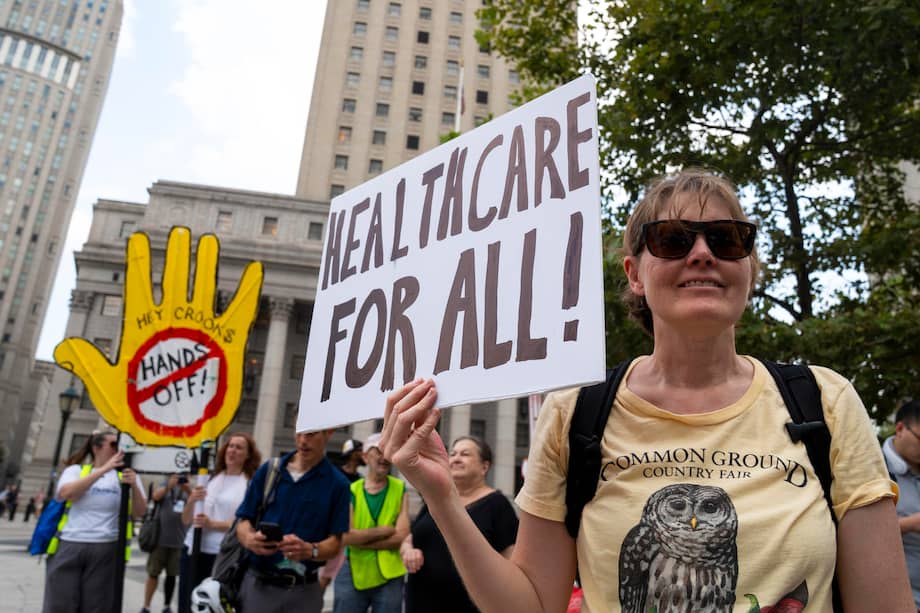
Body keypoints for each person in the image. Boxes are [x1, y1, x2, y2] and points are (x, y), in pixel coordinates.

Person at [380, 169, 913, 612]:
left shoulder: (825, 401)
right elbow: (533, 604)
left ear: (747, 267)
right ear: (635, 274)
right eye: (674, 239)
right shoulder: (575, 415)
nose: (702, 253)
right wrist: (441, 497)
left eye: (726, 238)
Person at [236, 429, 350, 613]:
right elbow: (243, 521)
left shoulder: (339, 484)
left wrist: (311, 550)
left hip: (304, 592)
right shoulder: (269, 471)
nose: (303, 441)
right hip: (259, 587)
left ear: (328, 433)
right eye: (299, 433)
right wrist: (249, 538)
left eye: (311, 434)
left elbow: (336, 543)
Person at [399, 436, 518, 613]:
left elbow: (512, 562)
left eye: (465, 454)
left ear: (484, 467)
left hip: (469, 606)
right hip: (421, 602)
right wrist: (408, 550)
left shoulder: (498, 505)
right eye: (452, 454)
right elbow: (409, 538)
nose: (455, 458)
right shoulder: (436, 498)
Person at [41, 430, 146, 613]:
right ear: (96, 448)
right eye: (113, 445)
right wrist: (104, 469)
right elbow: (67, 494)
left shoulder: (126, 476)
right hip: (70, 543)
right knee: (60, 604)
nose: (117, 449)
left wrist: (135, 486)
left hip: (105, 547)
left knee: (97, 606)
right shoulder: (75, 471)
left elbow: (139, 512)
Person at [178, 432, 260, 613]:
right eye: (230, 446)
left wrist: (212, 524)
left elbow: (245, 522)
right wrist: (191, 499)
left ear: (248, 455)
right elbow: (185, 519)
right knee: (186, 603)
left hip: (220, 554)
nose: (232, 451)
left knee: (213, 605)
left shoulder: (249, 484)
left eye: (239, 448)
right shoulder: (209, 478)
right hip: (193, 548)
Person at [333, 432, 410, 613]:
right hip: (354, 571)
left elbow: (401, 536)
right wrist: (385, 530)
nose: (385, 457)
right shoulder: (351, 490)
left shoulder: (400, 488)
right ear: (365, 457)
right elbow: (346, 536)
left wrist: (362, 541)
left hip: (390, 575)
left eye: (389, 452)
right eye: (379, 451)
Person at [883, 399, 920, 609]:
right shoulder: (874, 468)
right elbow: (853, 534)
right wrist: (910, 524)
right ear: (900, 429)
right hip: (898, 601)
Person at [141, 474, 191, 613]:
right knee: (153, 574)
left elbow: (197, 502)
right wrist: (169, 485)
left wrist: (187, 489)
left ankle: (167, 606)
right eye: (178, 475)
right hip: (159, 540)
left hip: (179, 540)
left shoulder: (188, 490)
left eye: (184, 475)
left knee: (172, 576)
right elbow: (156, 496)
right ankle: (146, 606)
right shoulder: (165, 484)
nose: (180, 478)